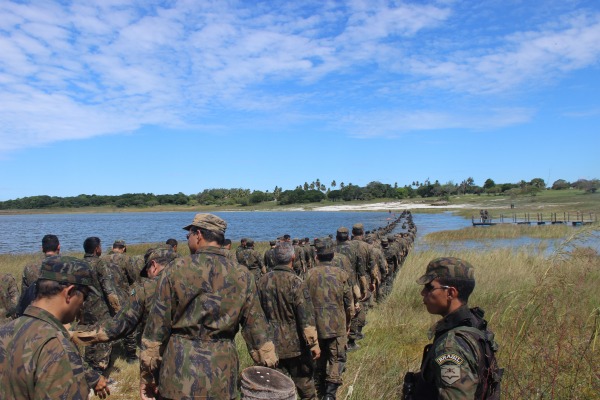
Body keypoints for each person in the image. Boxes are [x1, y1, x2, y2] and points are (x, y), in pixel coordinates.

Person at [140, 213, 277, 400]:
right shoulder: (242, 275)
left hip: (177, 376)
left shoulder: (175, 269)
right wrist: (269, 365)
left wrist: (148, 375)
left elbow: (156, 329)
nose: (187, 239)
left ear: (198, 234)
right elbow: (256, 330)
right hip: (222, 377)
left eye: (189, 235)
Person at [0, 256, 110, 399]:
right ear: (69, 293)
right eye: (85, 296)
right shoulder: (57, 346)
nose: (83, 304)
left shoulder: (5, 330)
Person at [403, 257, 502, 399]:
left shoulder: (451, 346)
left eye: (429, 287)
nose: (423, 293)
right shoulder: (475, 326)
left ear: (450, 293)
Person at [72, 247, 177, 350]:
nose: (147, 276)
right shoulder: (191, 282)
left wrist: (77, 334)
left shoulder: (145, 288)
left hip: (163, 356)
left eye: (147, 270)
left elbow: (119, 325)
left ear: (154, 266)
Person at [256, 241, 320, 400]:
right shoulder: (296, 282)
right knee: (306, 388)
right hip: (296, 345)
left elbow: (256, 316)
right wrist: (314, 344)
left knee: (278, 391)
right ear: (293, 257)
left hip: (271, 345)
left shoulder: (262, 281)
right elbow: (305, 316)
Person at [305, 237, 354, 400]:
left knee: (318, 358)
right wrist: (348, 322)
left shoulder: (309, 274)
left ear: (317, 256)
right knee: (336, 358)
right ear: (333, 256)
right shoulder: (341, 274)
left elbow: (302, 301)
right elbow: (349, 302)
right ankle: (330, 394)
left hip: (315, 323)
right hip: (337, 323)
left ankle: (319, 389)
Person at [80, 236, 124, 378]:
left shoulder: (79, 264)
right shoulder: (100, 264)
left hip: (84, 308)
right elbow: (109, 289)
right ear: (97, 249)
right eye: (100, 246)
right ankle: (100, 374)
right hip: (100, 308)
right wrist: (118, 310)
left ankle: (89, 370)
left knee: (89, 338)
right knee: (103, 340)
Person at [102, 239, 138, 363]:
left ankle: (106, 353)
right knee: (127, 325)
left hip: (107, 297)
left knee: (108, 323)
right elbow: (133, 277)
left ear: (113, 247)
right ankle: (131, 356)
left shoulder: (103, 259)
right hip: (122, 296)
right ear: (123, 248)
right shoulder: (126, 259)